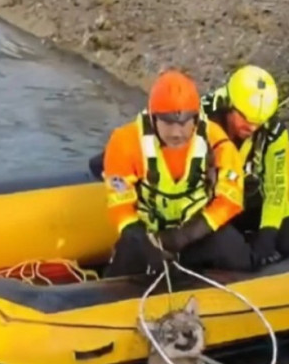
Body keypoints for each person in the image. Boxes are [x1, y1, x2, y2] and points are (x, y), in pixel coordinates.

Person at [101, 69, 251, 278]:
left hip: (196, 234)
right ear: (153, 119)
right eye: (168, 122)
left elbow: (231, 199)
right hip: (148, 237)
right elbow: (120, 205)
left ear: (196, 119)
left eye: (183, 122)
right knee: (127, 253)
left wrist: (184, 236)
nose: (176, 132)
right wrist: (144, 240)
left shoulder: (217, 142)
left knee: (235, 251)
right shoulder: (125, 142)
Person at [200, 65, 289, 268]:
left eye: (258, 122)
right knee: (236, 259)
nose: (252, 128)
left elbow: (276, 188)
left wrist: (267, 235)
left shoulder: (274, 132)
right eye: (245, 119)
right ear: (230, 106)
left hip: (255, 199)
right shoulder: (200, 120)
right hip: (215, 203)